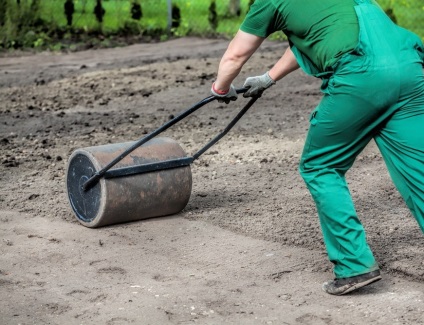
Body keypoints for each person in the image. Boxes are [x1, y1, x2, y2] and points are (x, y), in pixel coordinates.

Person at [211, 0, 424, 295]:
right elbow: (315, 35)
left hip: (360, 75)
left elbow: (235, 55)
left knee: (320, 165)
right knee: (418, 170)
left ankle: (354, 266)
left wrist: (220, 88)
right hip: (409, 69)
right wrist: (268, 78)